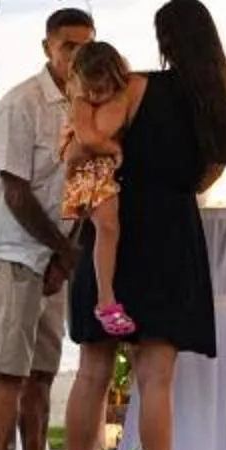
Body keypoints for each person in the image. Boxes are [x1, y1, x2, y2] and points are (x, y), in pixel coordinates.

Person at [60, 0, 226, 450]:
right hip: (170, 233)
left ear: (165, 40)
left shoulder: (135, 86)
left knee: (92, 369)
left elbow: (88, 142)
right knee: (156, 378)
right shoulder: (222, 103)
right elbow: (210, 172)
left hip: (113, 229)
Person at [0, 7, 93, 450]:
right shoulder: (20, 104)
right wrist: (64, 250)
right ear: (47, 46)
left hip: (54, 255)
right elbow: (16, 190)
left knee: (42, 371)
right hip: (13, 250)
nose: (76, 54)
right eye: (68, 45)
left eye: (85, 45)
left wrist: (66, 256)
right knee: (8, 370)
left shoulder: (88, 104)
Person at [62, 40, 142, 338]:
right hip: (91, 171)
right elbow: (87, 139)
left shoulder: (120, 95)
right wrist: (113, 148)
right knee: (108, 228)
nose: (95, 96)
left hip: (100, 171)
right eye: (90, 89)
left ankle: (107, 297)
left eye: (102, 89)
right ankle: (105, 299)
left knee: (109, 229)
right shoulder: (82, 102)